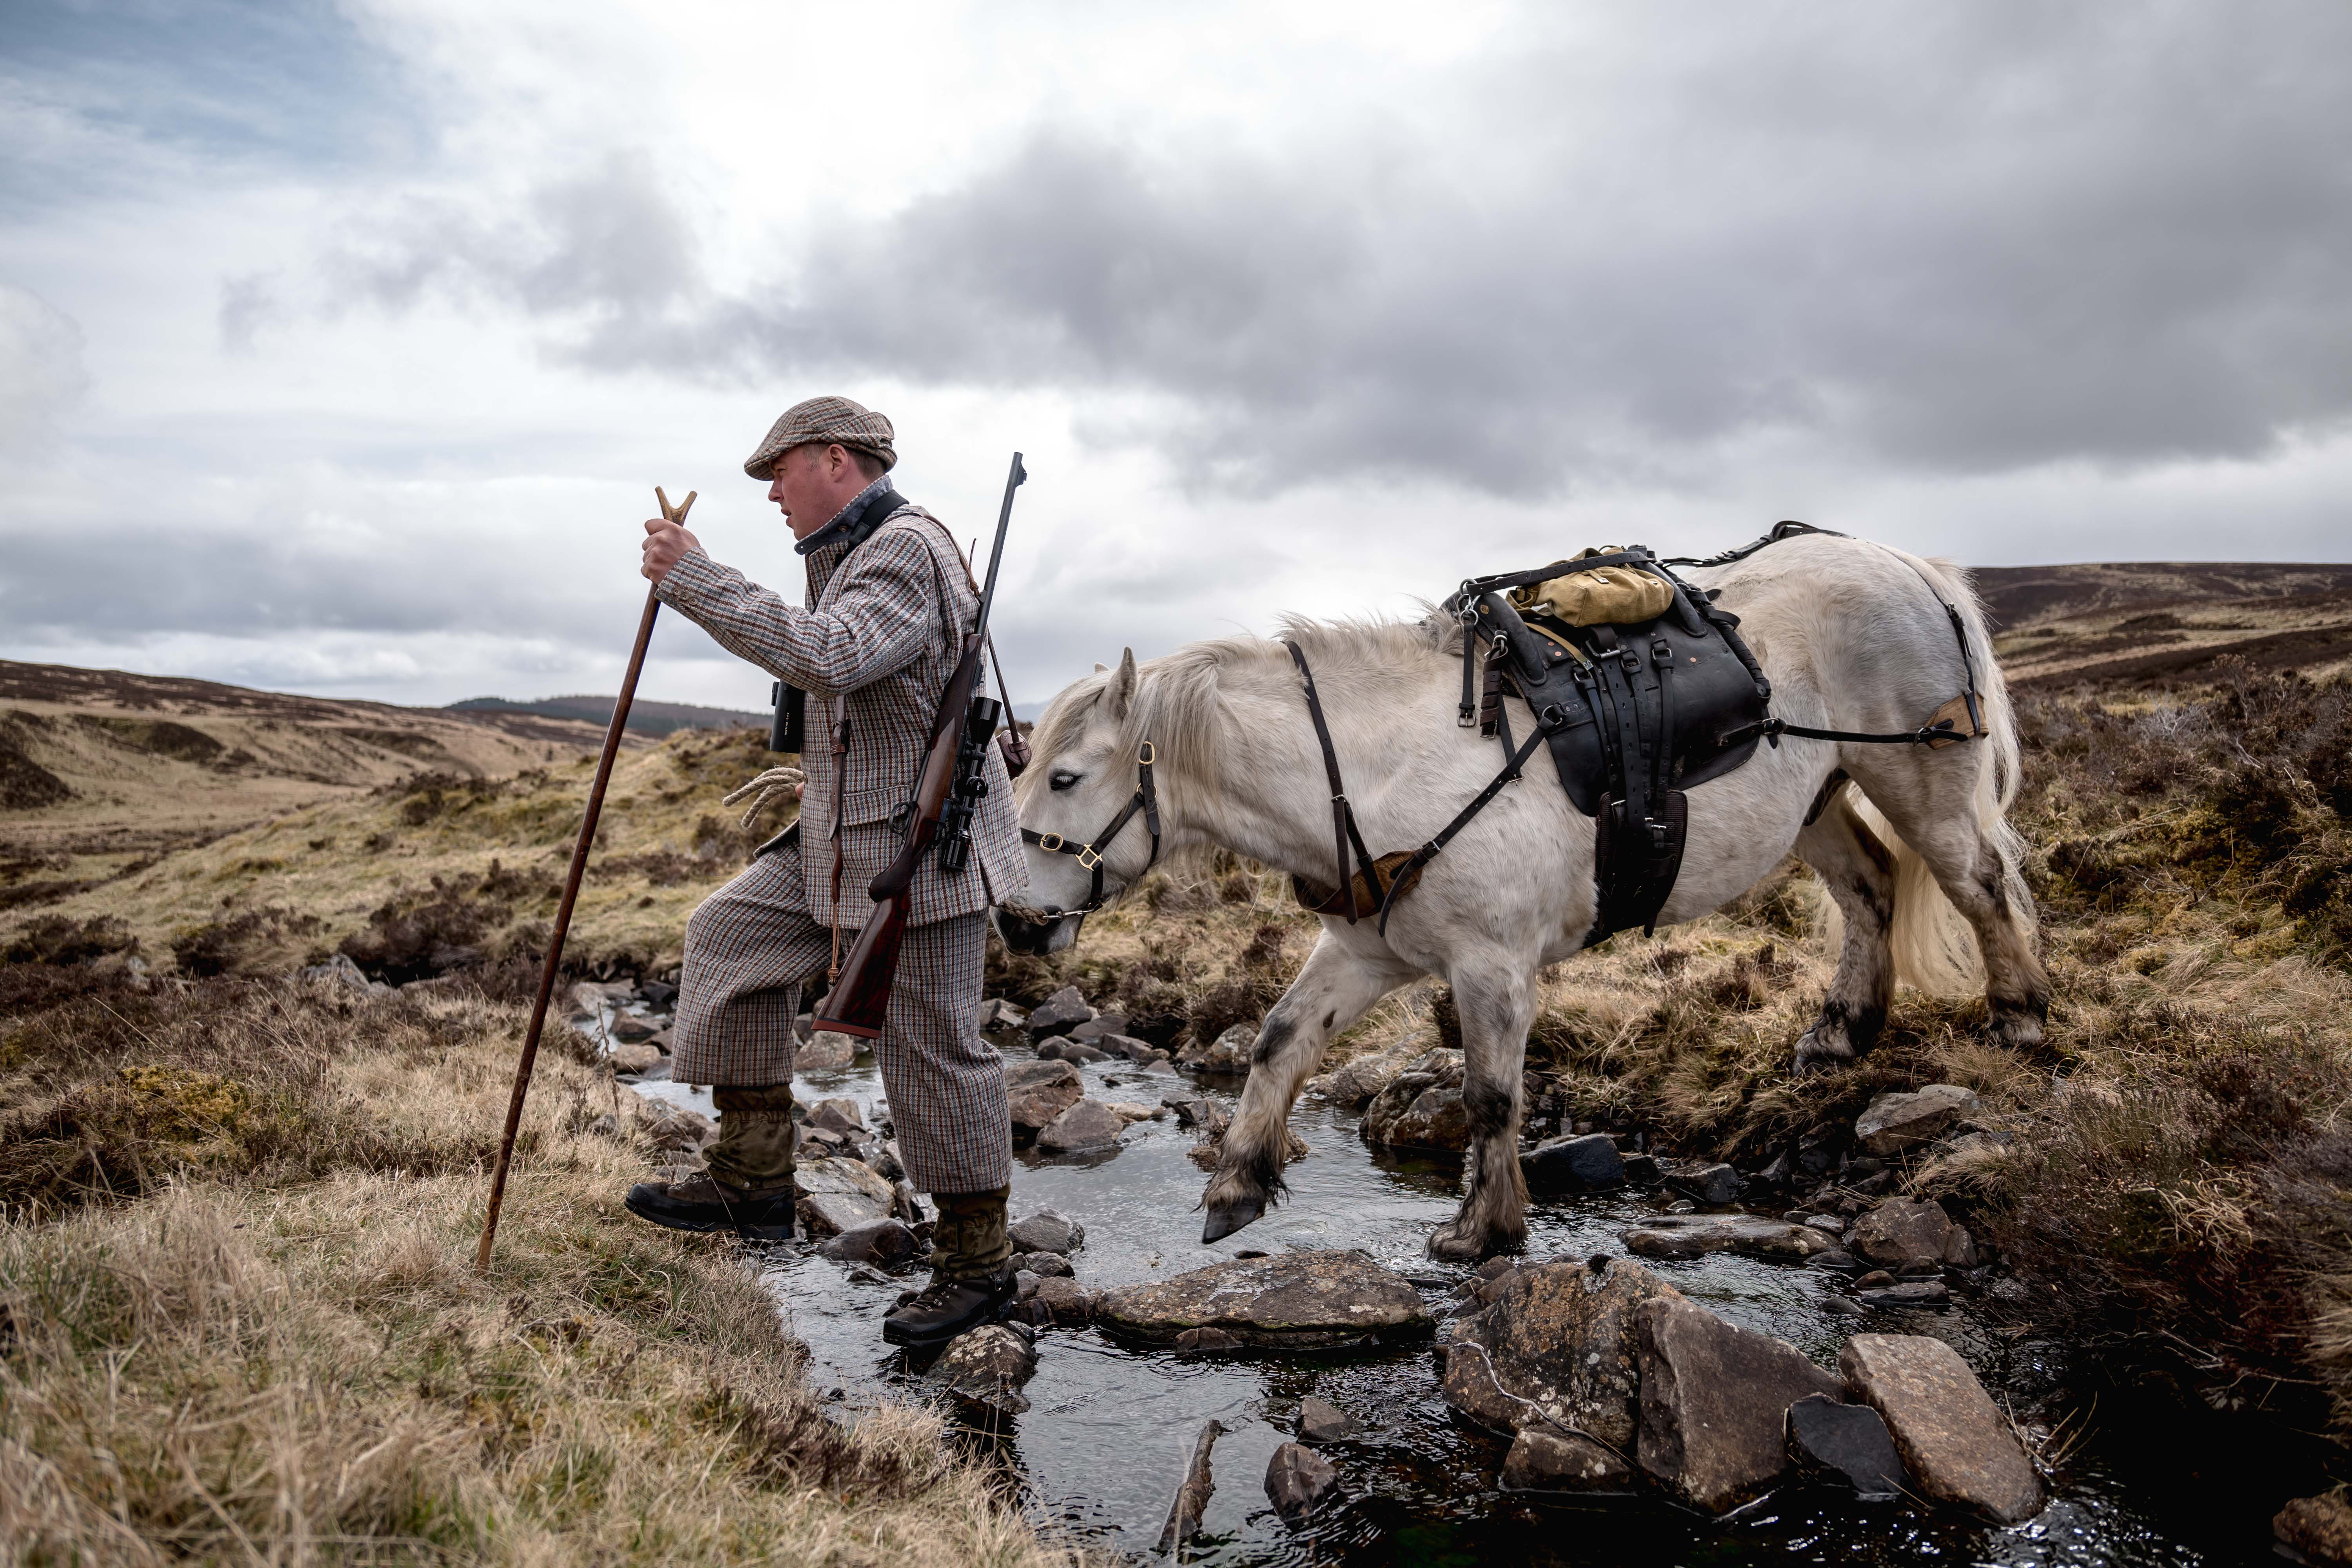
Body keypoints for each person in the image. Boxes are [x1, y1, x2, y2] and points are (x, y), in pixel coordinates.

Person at [625, 396, 1028, 1348]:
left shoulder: (901, 549)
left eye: (780, 469)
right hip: (841, 838)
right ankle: (753, 1179)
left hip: (922, 850)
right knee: (730, 934)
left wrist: (696, 580)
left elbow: (833, 656)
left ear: (836, 461)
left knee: (930, 1049)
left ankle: (981, 1266)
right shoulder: (847, 550)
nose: (770, 490)